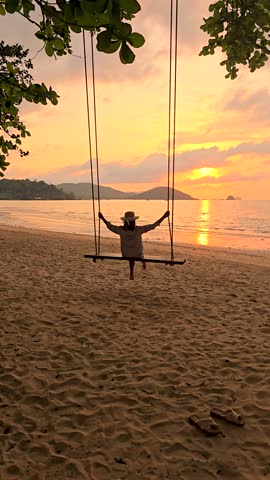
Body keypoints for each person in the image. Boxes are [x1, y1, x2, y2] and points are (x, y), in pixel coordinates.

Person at [98, 210, 170, 280]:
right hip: (138, 254)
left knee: (131, 254)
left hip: (126, 254)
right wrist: (164, 216)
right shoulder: (138, 230)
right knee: (137, 252)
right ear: (133, 222)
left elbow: (110, 226)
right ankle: (143, 261)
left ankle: (131, 273)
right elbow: (153, 226)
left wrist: (102, 217)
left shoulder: (120, 230)